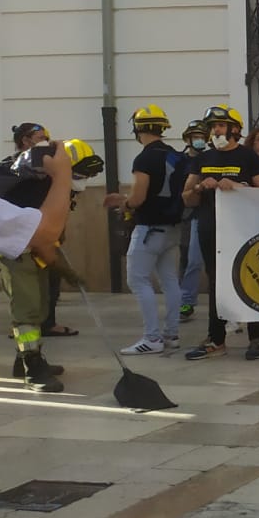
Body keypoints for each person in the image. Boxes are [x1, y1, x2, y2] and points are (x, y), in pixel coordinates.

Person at [0, 131, 73, 430]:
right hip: (17, 250)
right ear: (24, 141)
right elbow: (43, 229)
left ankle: (26, 358)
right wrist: (62, 174)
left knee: (39, 308)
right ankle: (31, 364)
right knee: (26, 309)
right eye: (37, 138)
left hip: (29, 247)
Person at [182, 105, 259, 361]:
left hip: (244, 230)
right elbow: (186, 198)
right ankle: (216, 338)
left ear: (234, 129)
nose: (215, 130)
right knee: (215, 282)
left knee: (251, 278)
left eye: (220, 125)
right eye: (211, 126)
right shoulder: (202, 159)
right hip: (210, 229)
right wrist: (200, 186)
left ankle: (256, 337)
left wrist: (237, 186)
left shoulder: (249, 157)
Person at [105, 105, 184, 355]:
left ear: (138, 129)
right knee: (170, 280)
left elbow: (139, 198)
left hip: (149, 228)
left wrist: (124, 203)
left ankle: (151, 338)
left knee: (137, 280)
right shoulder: (175, 156)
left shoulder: (144, 158)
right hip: (173, 228)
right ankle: (171, 335)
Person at [176, 120, 208, 323]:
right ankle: (185, 301)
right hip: (186, 215)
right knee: (188, 259)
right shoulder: (179, 161)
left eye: (202, 136)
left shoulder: (211, 158)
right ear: (187, 139)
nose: (199, 140)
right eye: (195, 137)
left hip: (206, 213)